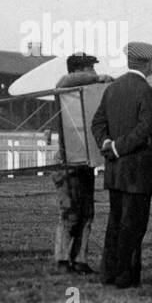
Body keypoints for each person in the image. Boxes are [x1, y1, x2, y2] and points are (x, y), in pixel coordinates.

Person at [91, 41, 152, 288]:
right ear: (149, 63)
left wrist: (107, 144)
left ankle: (108, 275)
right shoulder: (146, 91)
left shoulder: (112, 88)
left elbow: (97, 123)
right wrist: (119, 147)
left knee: (116, 223)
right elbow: (146, 128)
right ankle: (124, 277)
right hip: (138, 172)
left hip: (115, 171)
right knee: (134, 227)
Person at [52, 52, 112, 274]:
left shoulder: (84, 95)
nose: (94, 72)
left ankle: (79, 260)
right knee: (70, 212)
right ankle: (61, 260)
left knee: (86, 213)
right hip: (66, 161)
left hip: (82, 161)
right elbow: (64, 81)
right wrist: (98, 78)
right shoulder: (66, 88)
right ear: (78, 70)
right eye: (90, 68)